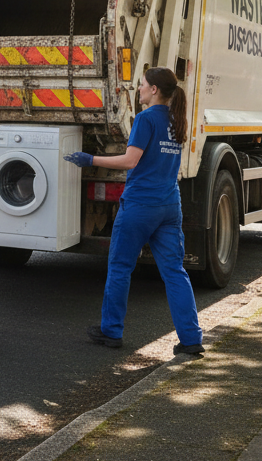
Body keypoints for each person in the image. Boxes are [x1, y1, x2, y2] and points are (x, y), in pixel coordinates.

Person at [64, 66, 204, 356]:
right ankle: (191, 339)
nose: (138, 89)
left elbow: (131, 160)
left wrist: (90, 158)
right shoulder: (176, 120)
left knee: (120, 267)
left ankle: (111, 331)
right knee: (175, 273)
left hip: (140, 205)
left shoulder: (145, 119)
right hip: (168, 206)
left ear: (154, 90)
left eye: (142, 85)